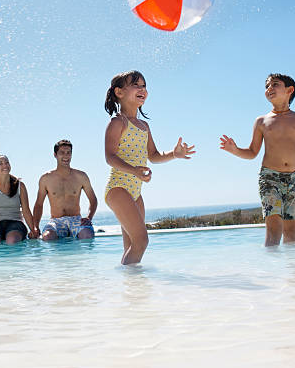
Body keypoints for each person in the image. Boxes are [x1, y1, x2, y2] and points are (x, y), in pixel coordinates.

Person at [220, 73, 295, 246]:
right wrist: (235, 150)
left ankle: (293, 271)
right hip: (269, 178)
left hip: (294, 179)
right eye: (267, 86)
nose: (269, 88)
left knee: (291, 233)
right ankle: (271, 271)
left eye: (275, 84)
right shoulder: (262, 121)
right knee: (274, 229)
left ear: (289, 90)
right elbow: (252, 152)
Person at [104, 70, 195, 265]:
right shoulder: (117, 123)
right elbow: (110, 157)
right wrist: (134, 170)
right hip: (118, 188)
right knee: (142, 241)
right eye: (135, 85)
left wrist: (174, 154)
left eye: (144, 86)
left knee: (132, 245)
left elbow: (153, 156)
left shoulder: (144, 126)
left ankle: (131, 289)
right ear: (119, 92)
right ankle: (129, 283)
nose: (142, 89)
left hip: (136, 192)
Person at [33, 139, 97, 240]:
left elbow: (93, 199)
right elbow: (39, 204)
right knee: (47, 237)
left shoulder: (81, 176)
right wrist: (35, 227)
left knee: (87, 235)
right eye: (62, 153)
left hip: (76, 219)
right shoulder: (46, 178)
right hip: (56, 221)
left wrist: (89, 217)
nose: (66, 156)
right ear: (55, 155)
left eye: (69, 153)